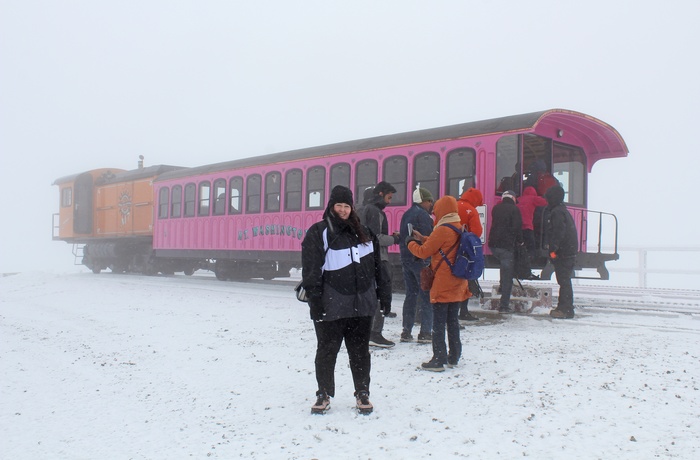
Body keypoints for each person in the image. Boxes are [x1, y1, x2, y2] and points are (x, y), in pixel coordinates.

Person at [301, 185, 391, 415]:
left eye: (346, 206)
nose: (342, 210)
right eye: (338, 205)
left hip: (362, 304)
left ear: (352, 208)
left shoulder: (366, 233)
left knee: (360, 352)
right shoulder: (318, 232)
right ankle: (323, 394)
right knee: (327, 351)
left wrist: (384, 293)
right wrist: (315, 300)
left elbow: (378, 268)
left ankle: (362, 393)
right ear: (331, 206)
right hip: (331, 305)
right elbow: (311, 271)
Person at [406, 195, 470, 372]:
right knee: (452, 321)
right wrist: (424, 237)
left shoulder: (442, 229)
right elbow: (442, 245)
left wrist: (410, 243)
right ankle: (454, 355)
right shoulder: (458, 226)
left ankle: (438, 358)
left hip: (443, 283)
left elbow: (423, 252)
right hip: (458, 282)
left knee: (439, 322)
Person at [358, 181, 400, 348]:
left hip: (365, 258)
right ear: (381, 194)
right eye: (389, 197)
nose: (389, 202)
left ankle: (368, 332)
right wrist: (395, 239)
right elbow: (376, 238)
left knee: (370, 296)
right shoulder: (375, 211)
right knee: (380, 296)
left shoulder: (363, 210)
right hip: (377, 259)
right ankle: (375, 333)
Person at [398, 187, 434, 343]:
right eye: (429, 201)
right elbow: (429, 240)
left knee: (411, 295)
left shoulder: (406, 214)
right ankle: (425, 332)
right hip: (420, 260)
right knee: (426, 295)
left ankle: (406, 331)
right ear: (423, 201)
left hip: (406, 258)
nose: (431, 204)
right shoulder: (423, 215)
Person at [543, 185, 578, 319]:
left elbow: (558, 232)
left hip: (563, 251)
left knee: (564, 280)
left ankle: (566, 309)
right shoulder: (563, 210)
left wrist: (553, 249)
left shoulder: (556, 212)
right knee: (565, 280)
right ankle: (565, 307)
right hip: (569, 250)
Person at [487, 190, 524, 313]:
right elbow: (517, 227)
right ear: (513, 198)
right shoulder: (515, 210)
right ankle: (504, 305)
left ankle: (502, 287)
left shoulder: (496, 208)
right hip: (506, 245)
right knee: (508, 274)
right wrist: (520, 241)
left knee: (504, 267)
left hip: (493, 245)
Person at [456, 187, 484, 321]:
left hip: (448, 249)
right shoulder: (471, 210)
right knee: (465, 280)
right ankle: (463, 311)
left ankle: (450, 311)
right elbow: (476, 232)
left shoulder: (453, 205)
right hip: (463, 250)